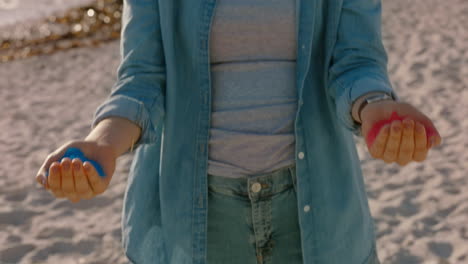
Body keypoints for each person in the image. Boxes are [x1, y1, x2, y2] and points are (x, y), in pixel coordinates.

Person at [35, 0, 442, 263]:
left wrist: (375, 106)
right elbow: (143, 78)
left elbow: (355, 61)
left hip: (315, 211)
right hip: (198, 220)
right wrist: (102, 143)